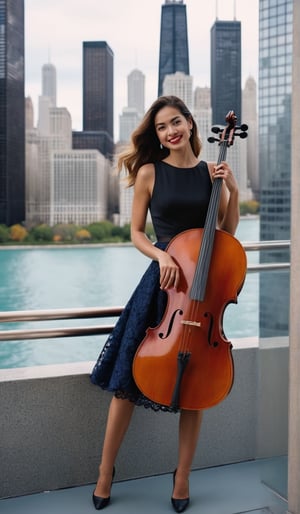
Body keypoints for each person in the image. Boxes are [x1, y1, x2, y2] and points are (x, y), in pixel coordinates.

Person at [90, 95, 240, 512]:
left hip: (202, 291)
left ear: (191, 125)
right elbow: (137, 233)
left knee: (196, 388)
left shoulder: (212, 172)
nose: (170, 131)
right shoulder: (149, 173)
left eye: (176, 122)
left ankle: (183, 476)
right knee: (125, 384)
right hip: (163, 284)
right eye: (161, 127)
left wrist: (232, 189)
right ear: (156, 135)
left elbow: (226, 235)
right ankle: (105, 472)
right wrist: (162, 256)